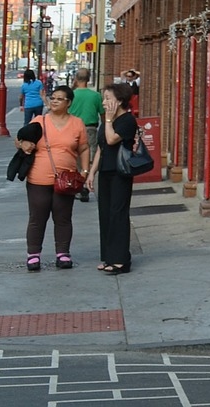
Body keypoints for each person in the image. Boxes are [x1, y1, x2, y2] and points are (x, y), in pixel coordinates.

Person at [17, 83, 86, 271]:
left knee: (63, 217)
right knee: (37, 217)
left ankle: (63, 253)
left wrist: (86, 171)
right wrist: (23, 144)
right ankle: (33, 255)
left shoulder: (77, 123)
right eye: (53, 98)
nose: (54, 101)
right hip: (38, 179)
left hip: (66, 180)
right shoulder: (39, 121)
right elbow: (20, 139)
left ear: (69, 103)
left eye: (59, 99)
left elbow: (84, 148)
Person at [90, 80, 140, 275]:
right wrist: (91, 172)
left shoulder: (127, 121)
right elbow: (101, 147)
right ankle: (108, 256)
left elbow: (112, 139)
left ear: (119, 101)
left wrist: (109, 119)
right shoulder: (106, 121)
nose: (104, 103)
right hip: (105, 171)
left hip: (121, 172)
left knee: (118, 213)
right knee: (105, 214)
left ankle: (121, 259)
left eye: (107, 99)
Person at [69, 70, 103, 204]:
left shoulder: (71, 95)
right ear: (89, 79)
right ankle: (87, 183)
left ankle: (79, 186)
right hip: (90, 128)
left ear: (76, 78)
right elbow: (103, 114)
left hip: (73, 128)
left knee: (76, 157)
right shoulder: (95, 95)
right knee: (90, 157)